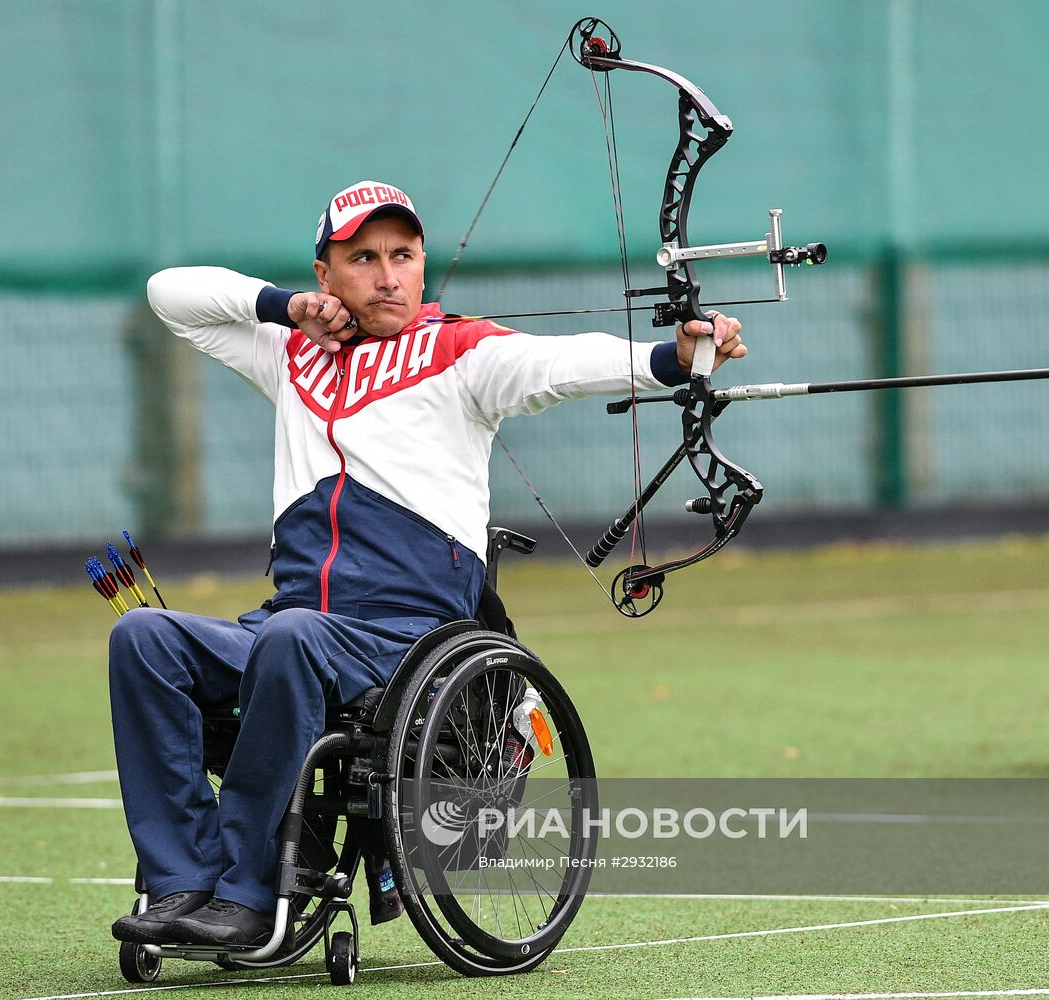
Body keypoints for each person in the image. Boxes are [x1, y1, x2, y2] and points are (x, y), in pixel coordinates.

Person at [108, 179, 746, 948]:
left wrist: (671, 357)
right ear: (326, 275)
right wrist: (284, 311)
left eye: (403, 255)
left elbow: (561, 363)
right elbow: (170, 293)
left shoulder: (461, 351)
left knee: (293, 638)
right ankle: (182, 884)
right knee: (143, 636)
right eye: (364, 257)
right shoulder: (292, 353)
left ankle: (248, 895)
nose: (387, 275)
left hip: (406, 635)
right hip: (293, 625)